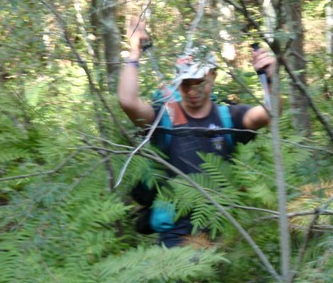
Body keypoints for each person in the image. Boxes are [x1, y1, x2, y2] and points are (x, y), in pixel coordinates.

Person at [118, 18, 276, 247]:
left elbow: (270, 113)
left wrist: (270, 79)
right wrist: (134, 51)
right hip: (176, 234)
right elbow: (127, 101)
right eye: (186, 83)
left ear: (212, 76)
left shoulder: (228, 118)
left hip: (222, 228)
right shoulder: (165, 118)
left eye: (199, 82)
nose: (192, 91)